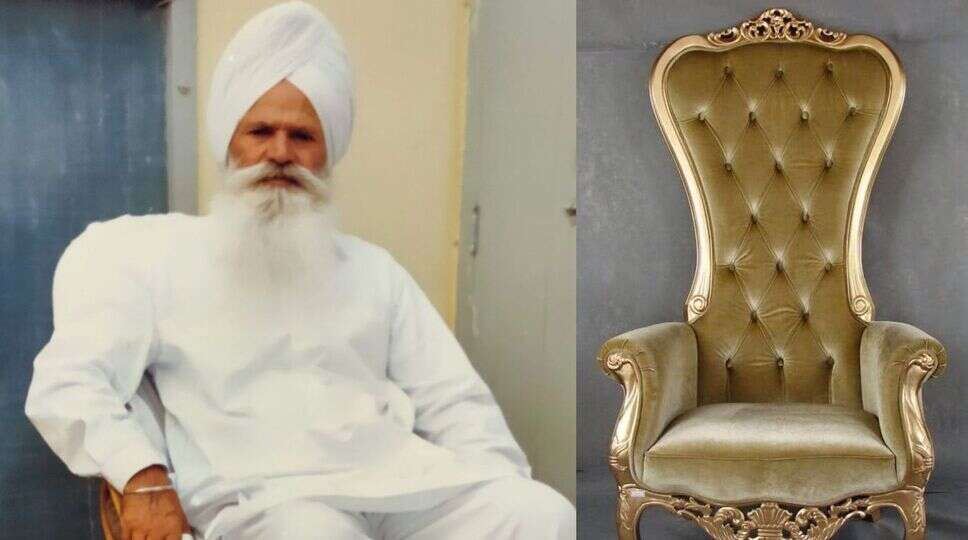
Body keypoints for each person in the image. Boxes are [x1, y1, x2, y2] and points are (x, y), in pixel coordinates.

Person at [24, 2, 575, 539]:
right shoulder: (150, 255)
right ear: (229, 144)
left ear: (327, 153)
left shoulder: (374, 271)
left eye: (303, 136)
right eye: (260, 132)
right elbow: (70, 383)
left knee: (542, 514)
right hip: (262, 502)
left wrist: (499, 480)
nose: (281, 153)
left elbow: (455, 401)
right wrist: (141, 476)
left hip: (401, 487)